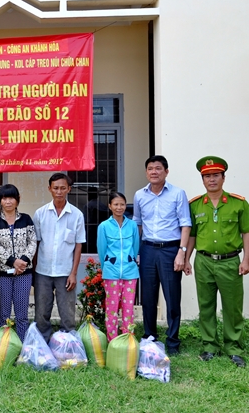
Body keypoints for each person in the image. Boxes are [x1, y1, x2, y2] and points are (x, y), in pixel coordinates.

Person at [185, 156, 249, 368]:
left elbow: (246, 232)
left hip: (230, 262)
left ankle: (234, 348)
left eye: (215, 175)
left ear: (223, 178)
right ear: (202, 180)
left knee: (232, 308)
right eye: (207, 176)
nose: (211, 180)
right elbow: (192, 235)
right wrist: (186, 259)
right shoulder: (194, 205)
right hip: (203, 261)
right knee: (206, 306)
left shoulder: (238, 203)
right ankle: (209, 346)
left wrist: (246, 259)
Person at [133, 155, 191, 355]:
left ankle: (173, 341)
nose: (154, 172)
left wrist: (181, 253)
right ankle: (150, 337)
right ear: (146, 172)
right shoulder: (140, 195)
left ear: (166, 171)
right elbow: (137, 224)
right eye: (150, 168)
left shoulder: (177, 194)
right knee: (148, 297)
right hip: (147, 250)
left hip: (170, 250)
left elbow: (186, 224)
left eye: (158, 168)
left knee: (172, 297)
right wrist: (137, 252)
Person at [33, 173, 85, 342]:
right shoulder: (40, 214)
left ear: (69, 189)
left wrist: (74, 273)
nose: (59, 192)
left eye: (63, 188)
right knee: (41, 312)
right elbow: (36, 244)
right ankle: (42, 345)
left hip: (65, 272)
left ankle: (67, 346)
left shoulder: (76, 215)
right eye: (55, 188)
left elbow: (78, 245)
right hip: (43, 271)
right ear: (49, 189)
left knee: (68, 312)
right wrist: (34, 271)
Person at [0, 184, 37, 341]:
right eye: (4, 198)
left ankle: (22, 347)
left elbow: (33, 241)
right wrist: (13, 261)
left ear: (17, 200)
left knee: (22, 314)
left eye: (11, 198)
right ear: (0, 200)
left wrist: (24, 261)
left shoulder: (26, 219)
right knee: (3, 314)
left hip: (24, 273)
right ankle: (2, 346)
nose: (8, 202)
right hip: (3, 274)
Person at [96, 191, 140, 341]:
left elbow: (135, 247)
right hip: (111, 273)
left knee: (128, 310)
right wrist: (108, 265)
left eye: (122, 204)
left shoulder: (132, 225)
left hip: (130, 272)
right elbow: (102, 250)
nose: (119, 207)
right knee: (112, 310)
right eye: (116, 204)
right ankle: (113, 341)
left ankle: (128, 339)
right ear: (110, 206)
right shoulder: (104, 226)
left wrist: (130, 261)